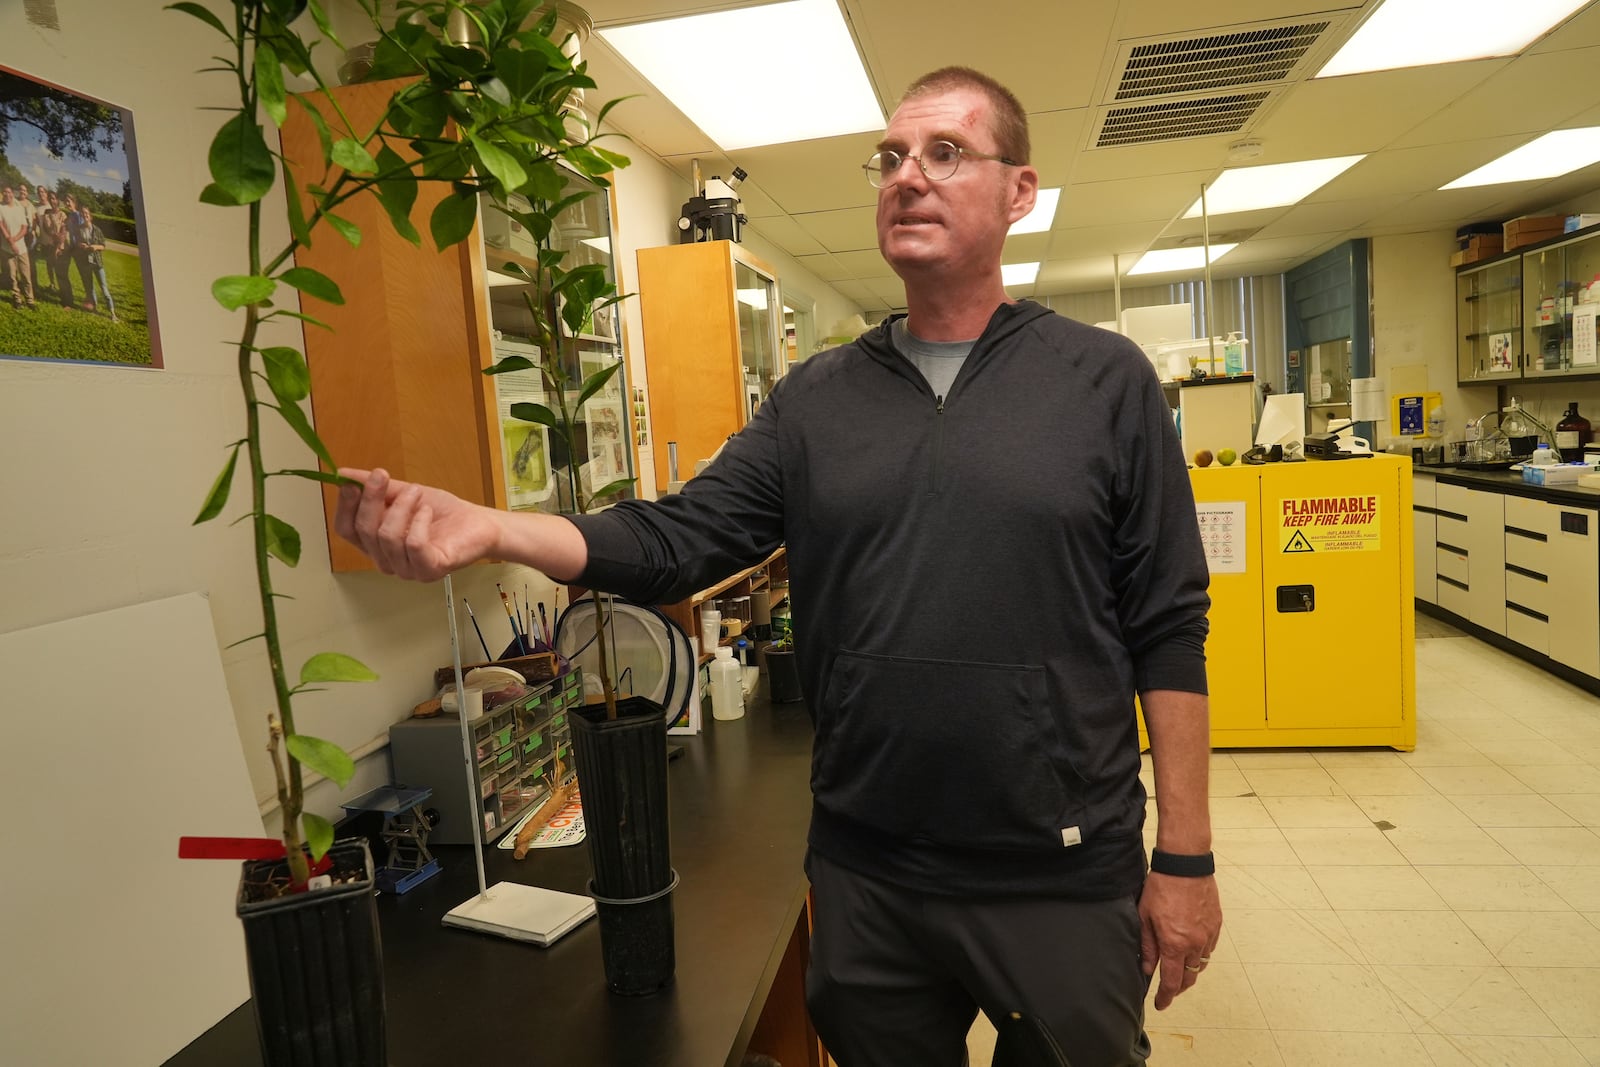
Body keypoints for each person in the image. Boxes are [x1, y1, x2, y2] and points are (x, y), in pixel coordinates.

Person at [336, 66, 1219, 1067]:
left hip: (1057, 867)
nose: (907, 176)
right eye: (889, 157)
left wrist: (1184, 856)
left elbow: (1166, 623)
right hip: (870, 868)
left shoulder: (1102, 382)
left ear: (1019, 191)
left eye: (945, 152)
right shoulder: (816, 400)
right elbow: (681, 536)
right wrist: (492, 526)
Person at [75, 206, 117, 323]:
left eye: (86, 213)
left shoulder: (97, 229)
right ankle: (94, 309)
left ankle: (112, 313)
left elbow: (103, 245)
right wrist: (80, 245)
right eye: (82, 214)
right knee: (90, 289)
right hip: (86, 263)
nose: (85, 215)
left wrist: (95, 247)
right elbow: (77, 242)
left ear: (90, 216)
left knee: (104, 289)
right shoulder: (79, 229)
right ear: (81, 216)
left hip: (97, 263)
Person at [0, 185, 36, 309]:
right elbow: (1, 226)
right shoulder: (1, 208)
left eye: (9, 192)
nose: (7, 194)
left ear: (12, 194)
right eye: (4, 192)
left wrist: (14, 240)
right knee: (12, 276)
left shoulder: (19, 208)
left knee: (26, 276)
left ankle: (30, 300)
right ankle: (17, 299)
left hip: (21, 248)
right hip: (6, 249)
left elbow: (24, 228)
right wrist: (10, 241)